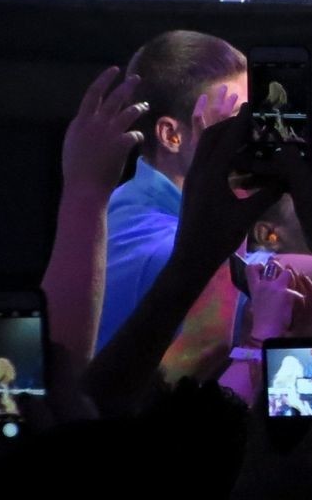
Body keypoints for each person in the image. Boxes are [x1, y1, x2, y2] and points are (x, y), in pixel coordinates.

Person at [97, 30, 248, 350]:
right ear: (171, 135)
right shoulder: (156, 245)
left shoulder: (137, 199)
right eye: (235, 120)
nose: (253, 136)